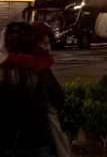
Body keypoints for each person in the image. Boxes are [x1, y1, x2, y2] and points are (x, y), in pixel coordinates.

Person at [1, 22, 65, 156]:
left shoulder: (4, 72)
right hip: (38, 143)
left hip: (9, 144)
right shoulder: (39, 70)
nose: (47, 48)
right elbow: (58, 99)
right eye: (44, 43)